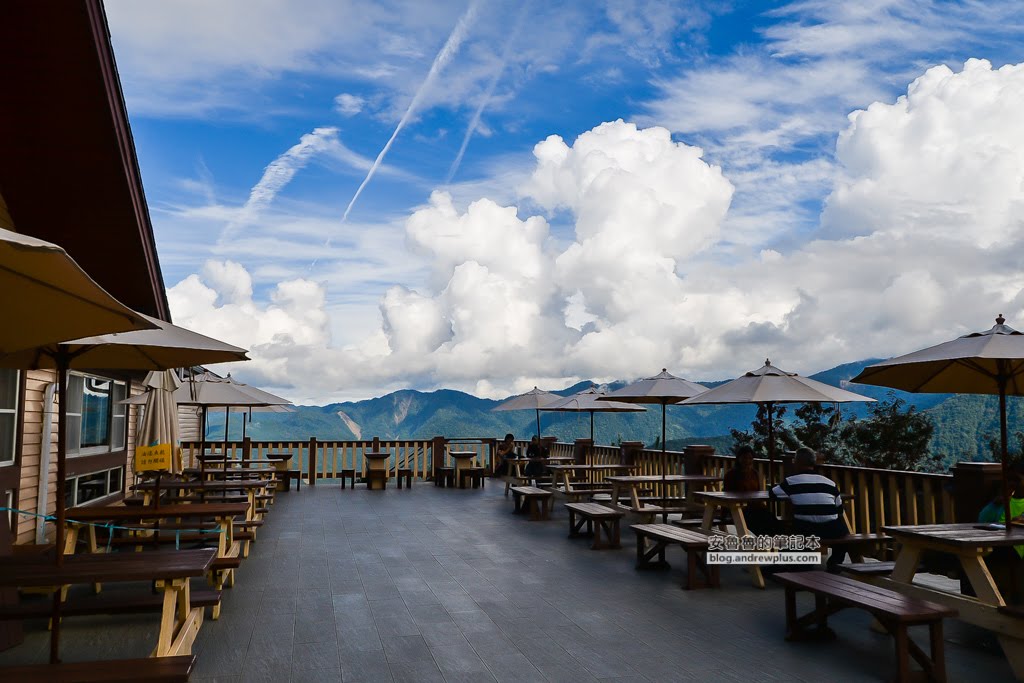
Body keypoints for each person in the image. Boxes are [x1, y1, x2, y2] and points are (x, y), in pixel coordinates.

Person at [769, 447, 850, 571]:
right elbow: (839, 509)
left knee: (789, 530)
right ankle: (835, 562)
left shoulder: (791, 482)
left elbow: (773, 493)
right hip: (832, 530)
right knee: (843, 530)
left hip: (806, 530)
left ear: (797, 462)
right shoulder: (830, 483)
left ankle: (798, 562)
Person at [975, 461, 1024, 603]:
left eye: (1017, 480)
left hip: (1018, 547)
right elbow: (982, 519)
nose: (1012, 483)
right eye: (1009, 480)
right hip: (1000, 543)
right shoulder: (1004, 501)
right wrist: (994, 504)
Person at [724, 445, 777, 535]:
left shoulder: (754, 474)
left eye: (750, 458)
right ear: (739, 459)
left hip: (755, 506)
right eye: (744, 458)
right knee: (755, 522)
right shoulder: (731, 475)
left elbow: (758, 492)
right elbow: (727, 494)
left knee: (771, 519)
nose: (747, 461)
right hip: (739, 508)